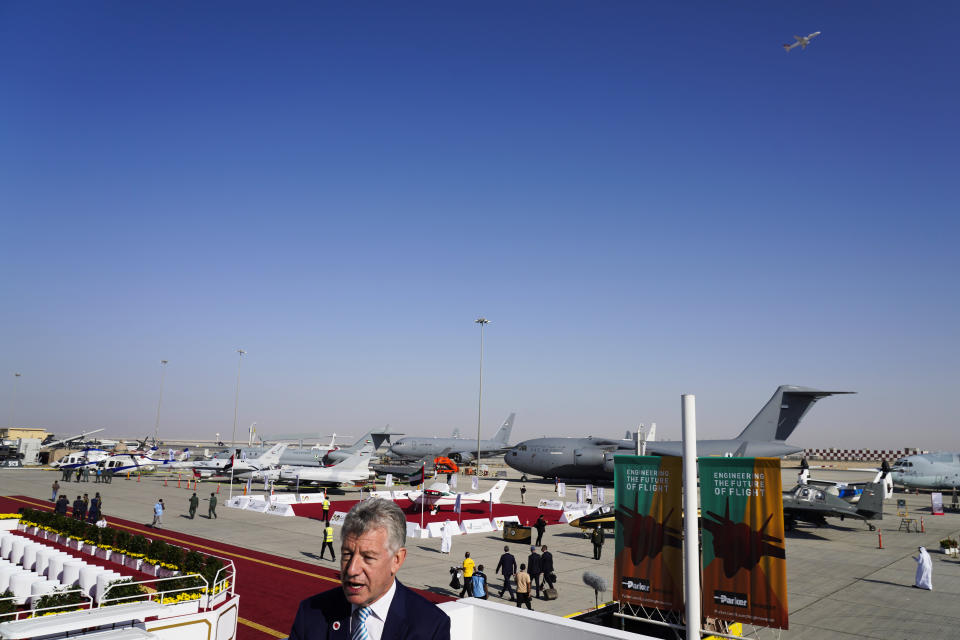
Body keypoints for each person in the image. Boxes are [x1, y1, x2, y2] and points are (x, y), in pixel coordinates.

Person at [289, 498, 450, 640]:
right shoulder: (311, 614)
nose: (352, 570)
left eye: (368, 557)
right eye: (347, 554)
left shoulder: (430, 627)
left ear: (397, 560)